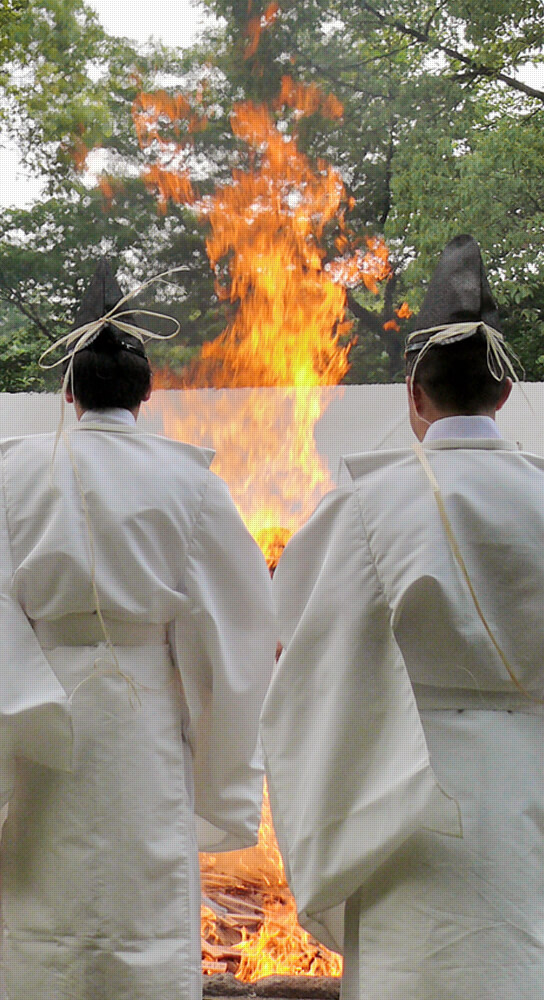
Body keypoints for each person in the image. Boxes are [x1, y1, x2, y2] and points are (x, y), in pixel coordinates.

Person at [260, 235, 544, 1000]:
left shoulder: (366, 504)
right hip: (530, 784)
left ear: (413, 395)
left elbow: (310, 662)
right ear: (504, 393)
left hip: (405, 786)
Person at [0, 260, 276, 999]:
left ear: (69, 388)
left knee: (42, 904)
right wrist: (220, 772)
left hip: (38, 717)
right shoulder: (188, 480)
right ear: (147, 392)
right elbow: (236, 633)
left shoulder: (12, 473)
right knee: (141, 899)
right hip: (143, 718)